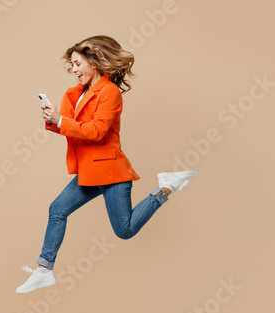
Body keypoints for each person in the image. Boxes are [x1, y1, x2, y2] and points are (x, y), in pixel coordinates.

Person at [15, 35, 197, 294]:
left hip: (110, 171)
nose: (74, 70)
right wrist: (54, 119)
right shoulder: (75, 93)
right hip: (89, 170)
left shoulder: (109, 92)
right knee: (57, 209)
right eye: (72, 65)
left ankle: (166, 187)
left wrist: (61, 120)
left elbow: (97, 131)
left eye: (78, 64)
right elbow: (74, 130)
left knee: (124, 231)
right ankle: (44, 270)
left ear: (95, 63)